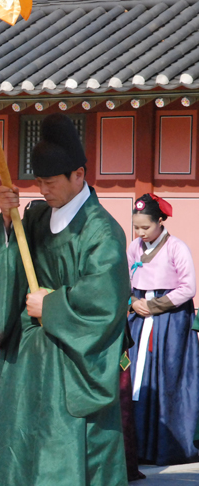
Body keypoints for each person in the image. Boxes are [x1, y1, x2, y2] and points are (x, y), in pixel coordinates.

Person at [0, 113, 131, 485]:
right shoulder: (36, 217)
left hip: (72, 362)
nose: (42, 190)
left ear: (78, 175)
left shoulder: (102, 232)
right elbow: (5, 269)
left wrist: (52, 305)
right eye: (38, 181)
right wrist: (7, 221)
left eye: (50, 182)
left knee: (61, 450)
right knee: (13, 445)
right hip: (25, 359)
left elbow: (106, 300)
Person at [127, 193, 199, 465]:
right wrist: (133, 302)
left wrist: (153, 306)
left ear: (160, 221)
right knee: (137, 378)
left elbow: (188, 288)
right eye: (136, 227)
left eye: (145, 227)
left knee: (168, 377)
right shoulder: (134, 247)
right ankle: (138, 446)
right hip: (139, 318)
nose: (140, 233)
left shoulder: (176, 247)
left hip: (170, 322)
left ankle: (168, 446)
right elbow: (124, 279)